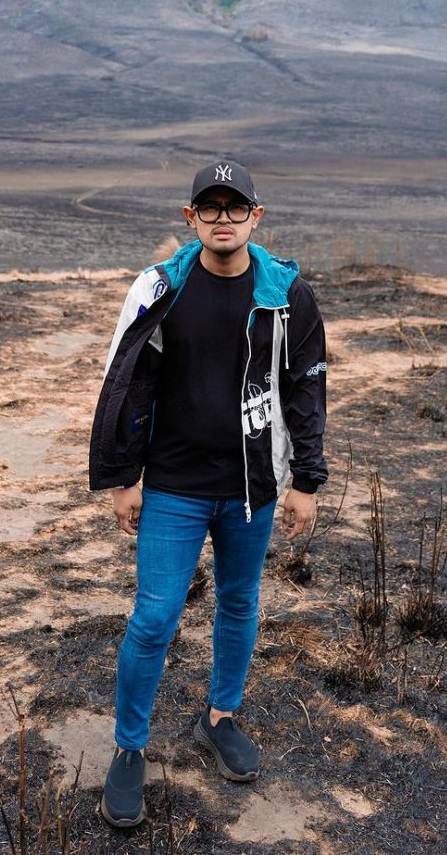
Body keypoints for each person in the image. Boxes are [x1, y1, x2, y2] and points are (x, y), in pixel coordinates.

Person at [88, 160, 328, 828]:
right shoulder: (159, 287)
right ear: (189, 218)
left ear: (257, 215)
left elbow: (306, 389)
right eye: (210, 207)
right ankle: (130, 748)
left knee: (239, 600)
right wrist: (123, 477)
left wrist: (306, 480)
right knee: (154, 617)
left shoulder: (288, 294)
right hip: (173, 484)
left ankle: (219, 716)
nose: (224, 218)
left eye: (236, 206)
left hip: (252, 485)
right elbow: (123, 381)